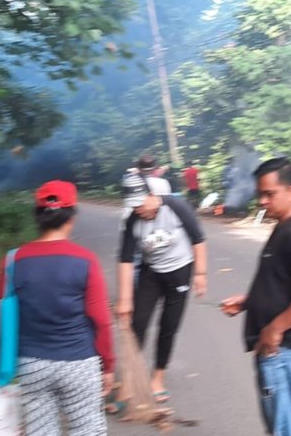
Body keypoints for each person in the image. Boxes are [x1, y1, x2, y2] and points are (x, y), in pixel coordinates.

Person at [0, 181, 114, 436]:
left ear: (38, 216)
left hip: (33, 364)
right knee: (88, 430)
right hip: (79, 364)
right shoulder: (85, 260)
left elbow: (1, 319)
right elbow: (101, 320)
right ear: (72, 217)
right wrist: (108, 365)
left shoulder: (13, 260)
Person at [219, 158, 291, 436]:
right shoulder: (286, 225)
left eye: (270, 194)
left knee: (286, 430)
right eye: (260, 194)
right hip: (285, 350)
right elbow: (285, 282)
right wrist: (249, 301)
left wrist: (275, 328)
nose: (263, 201)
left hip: (285, 352)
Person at [116, 168, 207, 405]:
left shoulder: (176, 207)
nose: (139, 210)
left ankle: (158, 377)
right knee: (137, 325)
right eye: (133, 206)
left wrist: (200, 273)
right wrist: (125, 300)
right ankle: (128, 382)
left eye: (141, 204)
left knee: (169, 326)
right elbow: (125, 260)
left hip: (180, 272)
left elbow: (198, 239)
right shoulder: (133, 220)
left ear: (151, 194)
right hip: (151, 274)